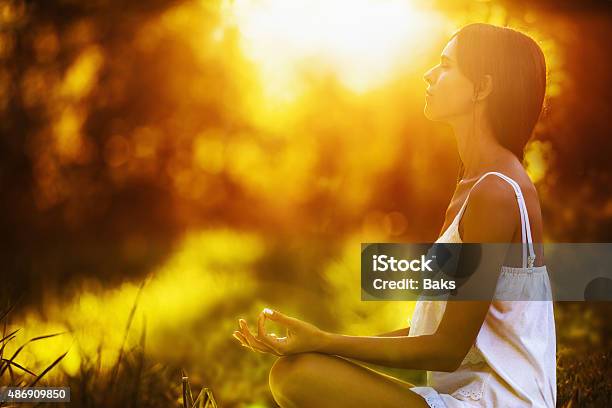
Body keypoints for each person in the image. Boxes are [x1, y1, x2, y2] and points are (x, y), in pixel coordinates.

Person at [232, 22, 556, 408]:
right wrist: (317, 342)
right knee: (300, 368)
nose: (429, 74)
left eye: (446, 65)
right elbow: (439, 332)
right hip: (465, 397)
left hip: (498, 404)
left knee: (298, 376)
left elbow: (447, 350)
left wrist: (324, 341)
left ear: (482, 88)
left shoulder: (496, 193)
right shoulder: (475, 184)